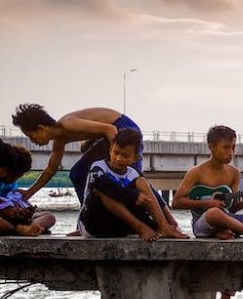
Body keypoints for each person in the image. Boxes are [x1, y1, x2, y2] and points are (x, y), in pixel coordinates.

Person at [11, 103, 147, 203]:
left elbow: (110, 129)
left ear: (40, 129)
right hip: (108, 134)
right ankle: (88, 219)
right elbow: (50, 170)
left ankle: (147, 213)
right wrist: (29, 192)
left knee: (131, 177)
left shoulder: (68, 124)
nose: (32, 141)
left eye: (31, 136)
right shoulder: (59, 141)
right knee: (78, 174)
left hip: (124, 129)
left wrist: (112, 161)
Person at [172, 125, 243, 239]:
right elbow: (176, 202)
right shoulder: (196, 172)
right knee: (214, 213)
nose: (231, 152)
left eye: (233, 147)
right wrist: (206, 203)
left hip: (227, 218)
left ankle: (228, 231)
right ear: (211, 147)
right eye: (226, 147)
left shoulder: (234, 173)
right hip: (204, 222)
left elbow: (232, 208)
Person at [77, 129, 186, 240]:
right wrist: (133, 197)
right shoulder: (98, 167)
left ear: (135, 158)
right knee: (102, 189)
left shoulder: (133, 174)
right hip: (94, 225)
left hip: (121, 225)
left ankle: (163, 227)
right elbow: (100, 184)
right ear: (110, 150)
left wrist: (171, 221)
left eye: (125, 156)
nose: (119, 159)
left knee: (141, 182)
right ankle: (140, 227)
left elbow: (153, 195)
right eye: (116, 153)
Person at [0, 139, 56, 236]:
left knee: (50, 217)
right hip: (4, 217)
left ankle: (29, 227)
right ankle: (19, 229)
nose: (4, 174)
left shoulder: (13, 187)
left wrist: (25, 211)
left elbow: (16, 201)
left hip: (15, 217)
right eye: (14, 176)